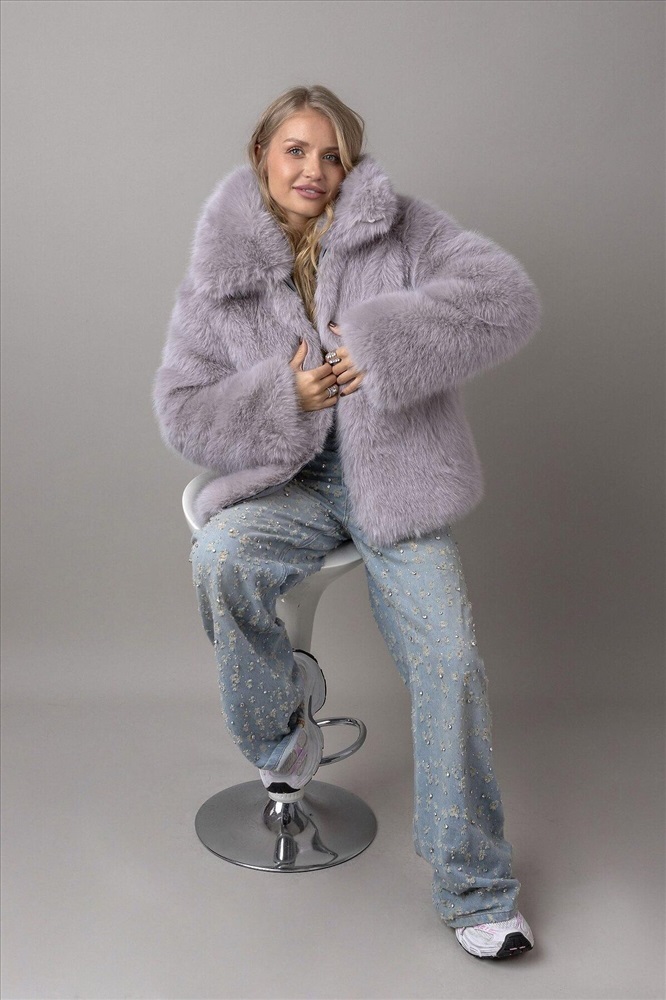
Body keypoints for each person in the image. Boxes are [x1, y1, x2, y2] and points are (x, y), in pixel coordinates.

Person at [153, 84, 541, 960]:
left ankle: (477, 891)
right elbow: (183, 411)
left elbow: (504, 298)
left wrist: (387, 342)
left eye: (332, 154)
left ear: (350, 165)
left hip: (397, 479)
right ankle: (284, 740)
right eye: (296, 149)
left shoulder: (402, 228)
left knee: (451, 661)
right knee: (221, 557)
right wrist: (280, 396)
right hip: (289, 482)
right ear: (262, 154)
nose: (314, 169)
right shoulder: (218, 273)